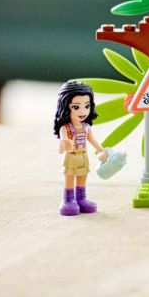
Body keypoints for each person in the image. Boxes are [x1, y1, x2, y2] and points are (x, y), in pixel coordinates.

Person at [53, 80, 107, 216]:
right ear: (66, 107)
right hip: (71, 156)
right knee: (70, 177)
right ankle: (68, 200)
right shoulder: (65, 128)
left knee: (82, 177)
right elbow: (62, 141)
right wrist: (64, 143)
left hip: (83, 155)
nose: (83, 111)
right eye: (76, 107)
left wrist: (102, 150)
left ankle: (81, 199)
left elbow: (92, 140)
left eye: (87, 106)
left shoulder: (86, 127)